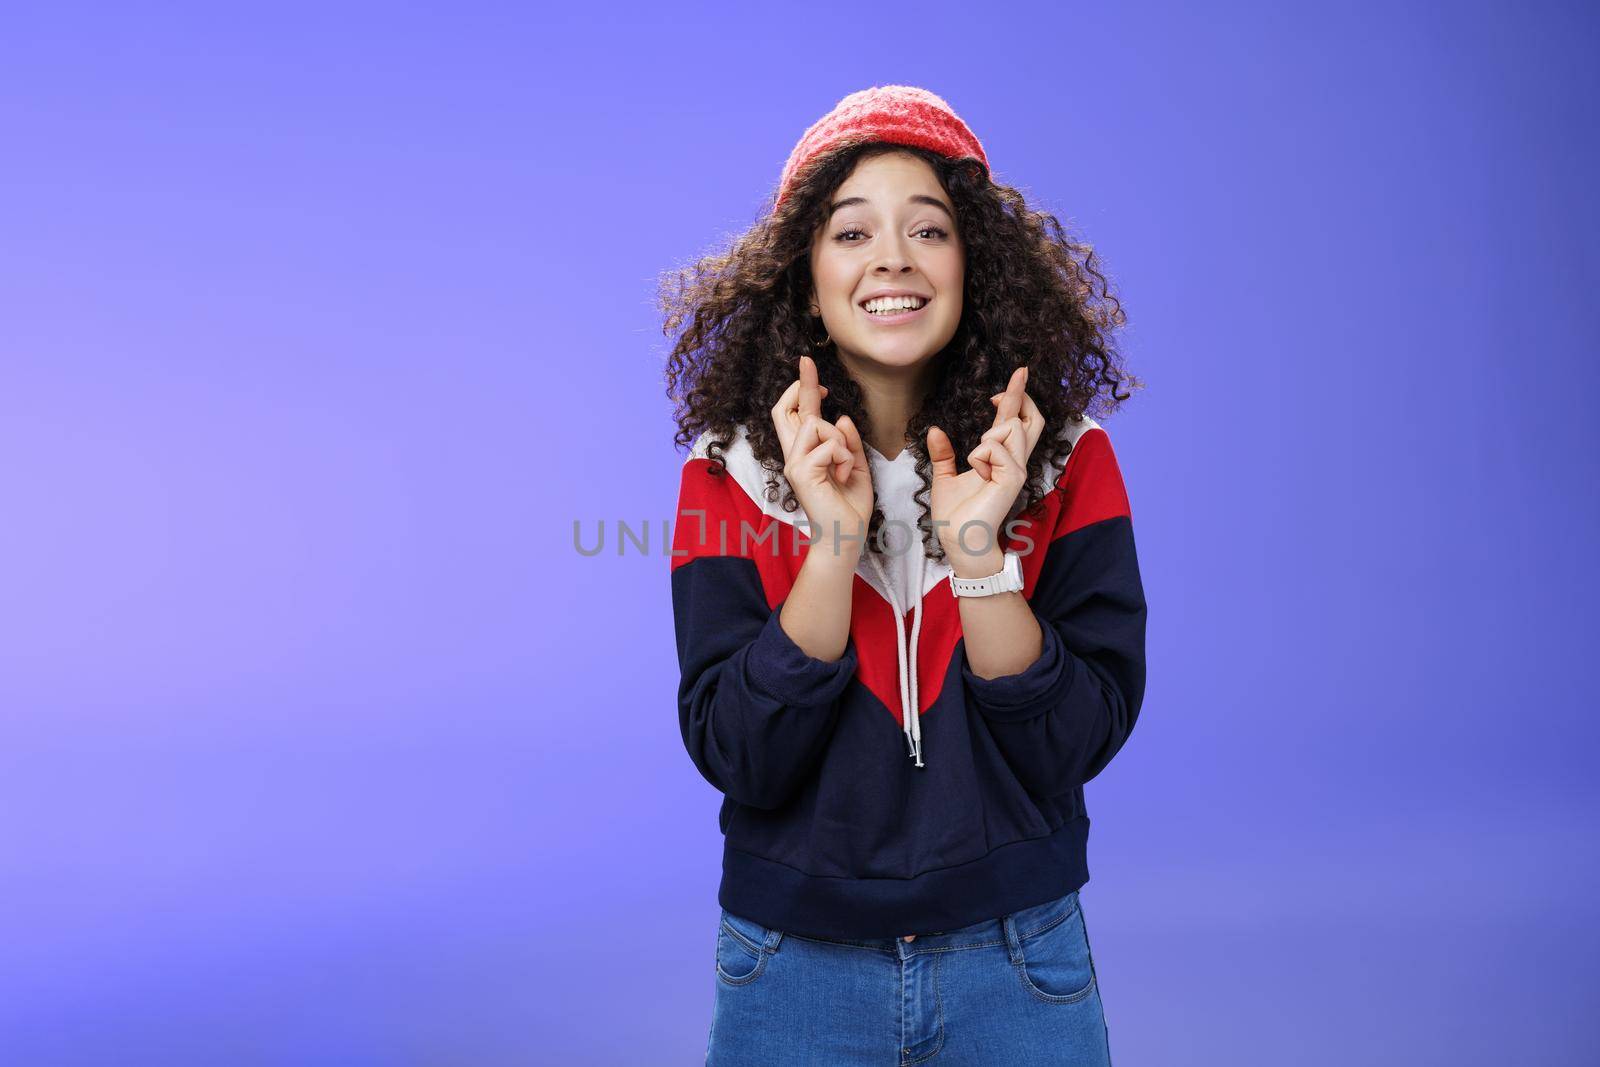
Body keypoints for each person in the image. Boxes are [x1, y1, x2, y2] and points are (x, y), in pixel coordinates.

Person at [661, 85, 1148, 1066]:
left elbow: (1072, 743)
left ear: (975, 264)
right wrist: (833, 543)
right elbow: (739, 753)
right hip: (788, 965)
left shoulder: (1066, 460)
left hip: (1019, 958)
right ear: (805, 277)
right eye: (851, 233)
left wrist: (979, 557)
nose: (891, 257)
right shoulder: (725, 477)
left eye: (928, 229)